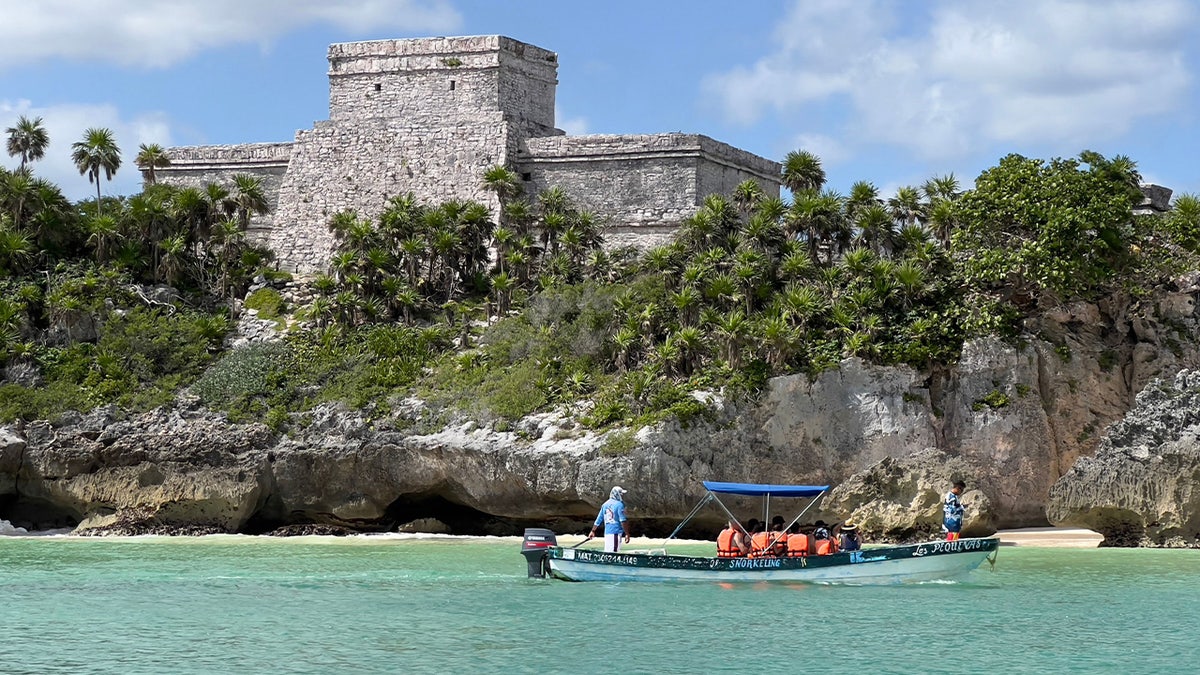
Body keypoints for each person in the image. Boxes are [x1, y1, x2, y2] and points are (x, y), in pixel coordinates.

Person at [589, 486, 630, 552]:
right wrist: (627, 534)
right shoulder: (620, 505)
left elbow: (598, 520)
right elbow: (623, 520)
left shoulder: (605, 505)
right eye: (621, 494)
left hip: (607, 533)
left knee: (608, 552)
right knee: (614, 553)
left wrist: (593, 531)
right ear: (617, 494)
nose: (622, 496)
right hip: (616, 532)